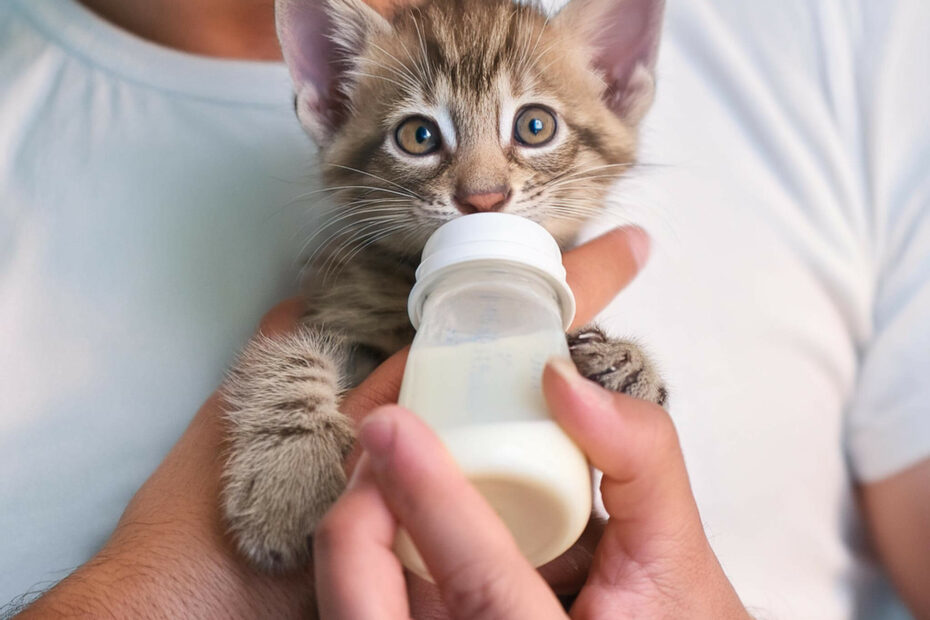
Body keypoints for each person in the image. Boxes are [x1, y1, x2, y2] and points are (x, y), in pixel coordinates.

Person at [1, 0, 928, 618]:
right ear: (327, 103)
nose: (484, 185)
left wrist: (613, 377)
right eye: (419, 137)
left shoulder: (838, 34)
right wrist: (171, 584)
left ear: (618, 85)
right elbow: (315, 348)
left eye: (535, 128)